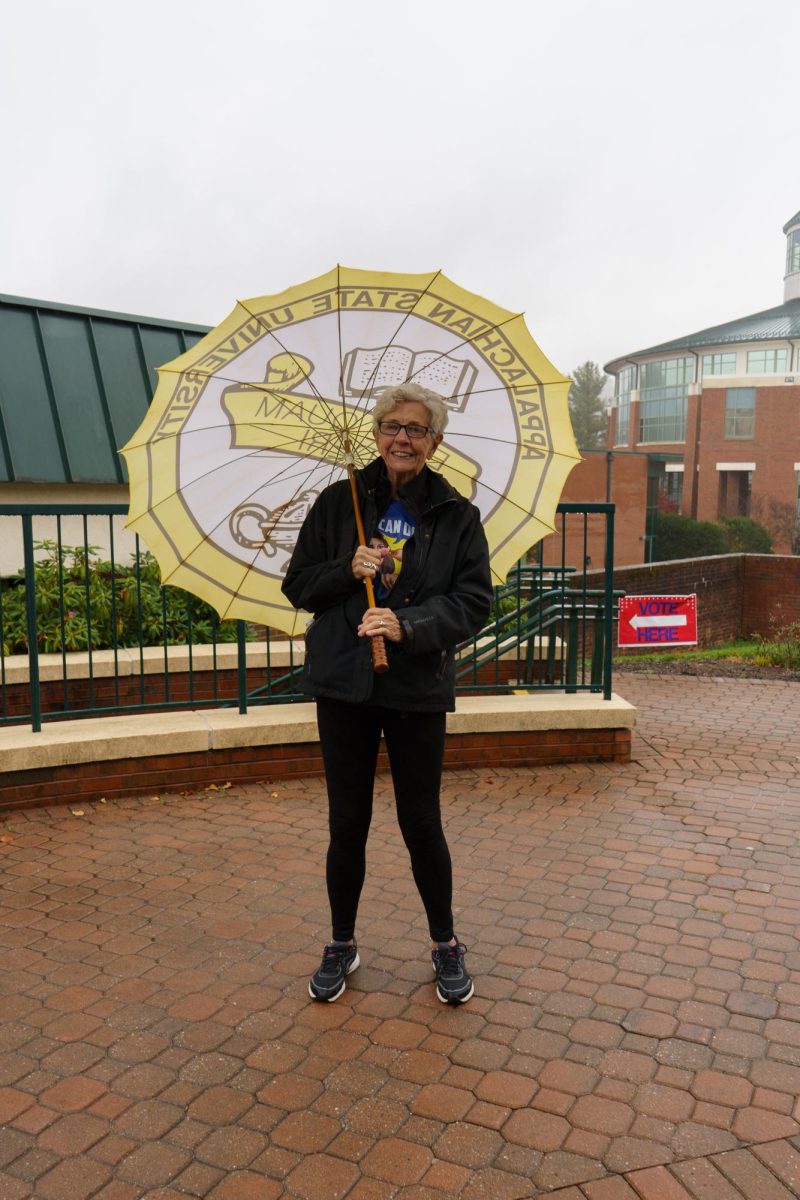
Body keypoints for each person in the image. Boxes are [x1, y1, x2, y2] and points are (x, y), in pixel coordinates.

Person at [282, 382, 493, 1005]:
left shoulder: (457, 514)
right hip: (344, 684)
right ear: (375, 433)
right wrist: (346, 569)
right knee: (347, 821)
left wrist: (407, 625)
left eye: (416, 429)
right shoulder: (336, 503)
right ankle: (342, 943)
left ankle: (446, 944)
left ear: (436, 441)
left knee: (420, 821)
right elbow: (299, 587)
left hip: (415, 686)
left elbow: (473, 603)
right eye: (391, 426)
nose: (402, 438)